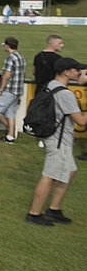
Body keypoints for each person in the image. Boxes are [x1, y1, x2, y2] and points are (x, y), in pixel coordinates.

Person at [26, 58, 87, 226]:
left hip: (55, 138)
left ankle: (54, 209)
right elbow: (81, 120)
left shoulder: (52, 84)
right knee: (48, 177)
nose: (80, 73)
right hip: (59, 141)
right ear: (67, 72)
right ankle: (34, 214)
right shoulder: (66, 94)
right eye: (77, 70)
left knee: (70, 172)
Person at [0, 37, 26, 144]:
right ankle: (10, 136)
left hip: (10, 89)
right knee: (10, 113)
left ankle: (11, 130)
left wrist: (1, 90)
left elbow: (7, 75)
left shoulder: (10, 58)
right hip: (18, 89)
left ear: (7, 46)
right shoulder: (21, 57)